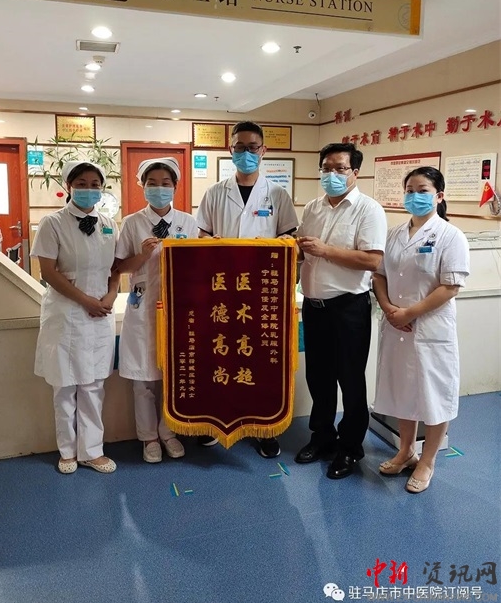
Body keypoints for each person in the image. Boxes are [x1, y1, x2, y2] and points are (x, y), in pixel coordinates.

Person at [196, 120, 298, 458]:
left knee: (260, 361)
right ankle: (216, 422)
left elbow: (290, 239)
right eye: (239, 147)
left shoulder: (278, 195)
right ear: (231, 150)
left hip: (262, 294)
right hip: (222, 292)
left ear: (263, 150)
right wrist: (216, 245)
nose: (246, 153)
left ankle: (263, 428)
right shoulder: (215, 192)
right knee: (221, 354)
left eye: (252, 147)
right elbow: (201, 236)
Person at [373, 167, 470, 493]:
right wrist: (389, 309)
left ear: (439, 196)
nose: (415, 196)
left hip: (430, 329)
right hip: (397, 326)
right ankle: (405, 451)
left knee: (433, 395)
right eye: (410, 190)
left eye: (423, 190)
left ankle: (427, 461)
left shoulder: (450, 236)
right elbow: (379, 275)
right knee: (404, 390)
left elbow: (450, 286)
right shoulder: (394, 234)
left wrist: (409, 313)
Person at [295, 143, 387, 479]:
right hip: (314, 307)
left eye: (339, 168)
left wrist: (325, 250)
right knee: (318, 377)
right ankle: (322, 437)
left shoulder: (369, 210)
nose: (331, 175)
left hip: (348, 308)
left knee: (350, 379)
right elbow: (303, 251)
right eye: (326, 168)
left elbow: (372, 260)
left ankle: (350, 448)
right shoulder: (313, 207)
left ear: (355, 172)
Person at [31, 161, 120, 474]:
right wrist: (86, 301)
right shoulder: (52, 223)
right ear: (69, 186)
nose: (88, 189)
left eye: (95, 184)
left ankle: (92, 451)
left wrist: (110, 297)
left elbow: (116, 268)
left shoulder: (109, 224)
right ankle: (67, 451)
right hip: (66, 312)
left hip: (100, 314)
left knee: (94, 386)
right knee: (65, 386)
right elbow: (48, 272)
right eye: (81, 183)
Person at [114, 158, 198, 463]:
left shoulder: (188, 222)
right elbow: (119, 267)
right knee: (144, 379)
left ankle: (168, 432)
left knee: (173, 375)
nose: (159, 189)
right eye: (152, 183)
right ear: (143, 186)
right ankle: (148, 437)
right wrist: (142, 255)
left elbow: (198, 265)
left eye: (165, 183)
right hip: (143, 307)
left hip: (178, 309)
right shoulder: (132, 223)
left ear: (175, 186)